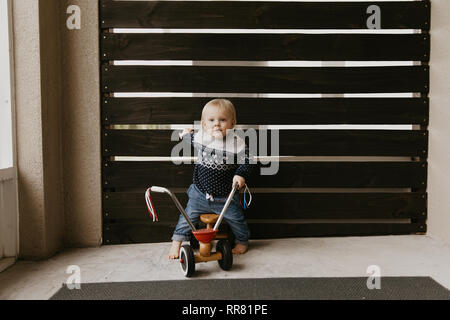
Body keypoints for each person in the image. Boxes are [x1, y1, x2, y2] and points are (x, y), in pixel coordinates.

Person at [168, 99, 256, 259]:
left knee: (237, 219)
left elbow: (249, 160)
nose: (217, 124)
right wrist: (185, 134)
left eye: (222, 120)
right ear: (204, 124)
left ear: (232, 123)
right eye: (211, 120)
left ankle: (242, 241)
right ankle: (177, 241)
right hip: (200, 193)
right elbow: (190, 139)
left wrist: (241, 173)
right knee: (186, 218)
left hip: (225, 196)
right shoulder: (201, 138)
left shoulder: (236, 143)